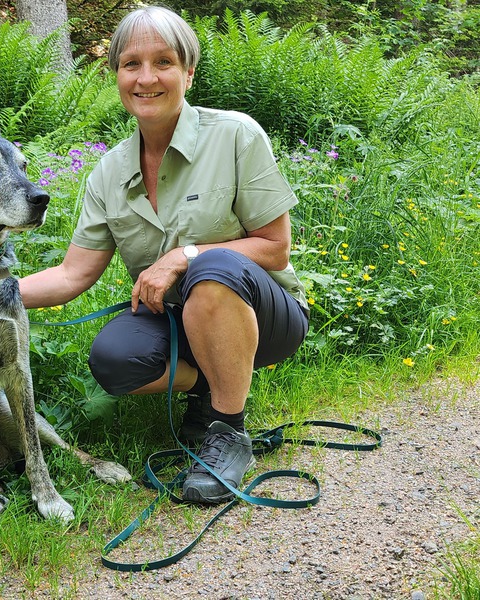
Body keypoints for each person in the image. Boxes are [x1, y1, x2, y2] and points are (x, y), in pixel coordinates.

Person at [18, 6, 309, 504]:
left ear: (188, 72)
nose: (146, 77)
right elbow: (71, 274)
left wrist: (182, 256)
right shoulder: (108, 173)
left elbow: (276, 248)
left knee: (212, 268)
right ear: (116, 75)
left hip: (267, 316)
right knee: (115, 359)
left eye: (164, 62)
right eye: (131, 64)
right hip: (181, 321)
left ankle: (229, 432)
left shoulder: (235, 135)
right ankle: (210, 390)